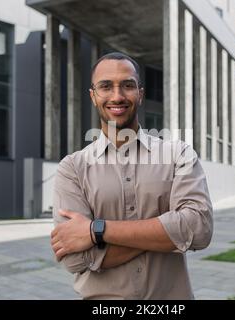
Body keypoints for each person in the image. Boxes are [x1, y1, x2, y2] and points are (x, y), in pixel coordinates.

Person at [51, 52, 213, 299]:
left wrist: (96, 231)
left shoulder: (178, 154)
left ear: (140, 93)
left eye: (127, 85)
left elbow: (198, 229)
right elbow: (74, 259)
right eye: (106, 86)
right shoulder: (72, 168)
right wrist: (165, 230)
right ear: (93, 96)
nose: (117, 96)